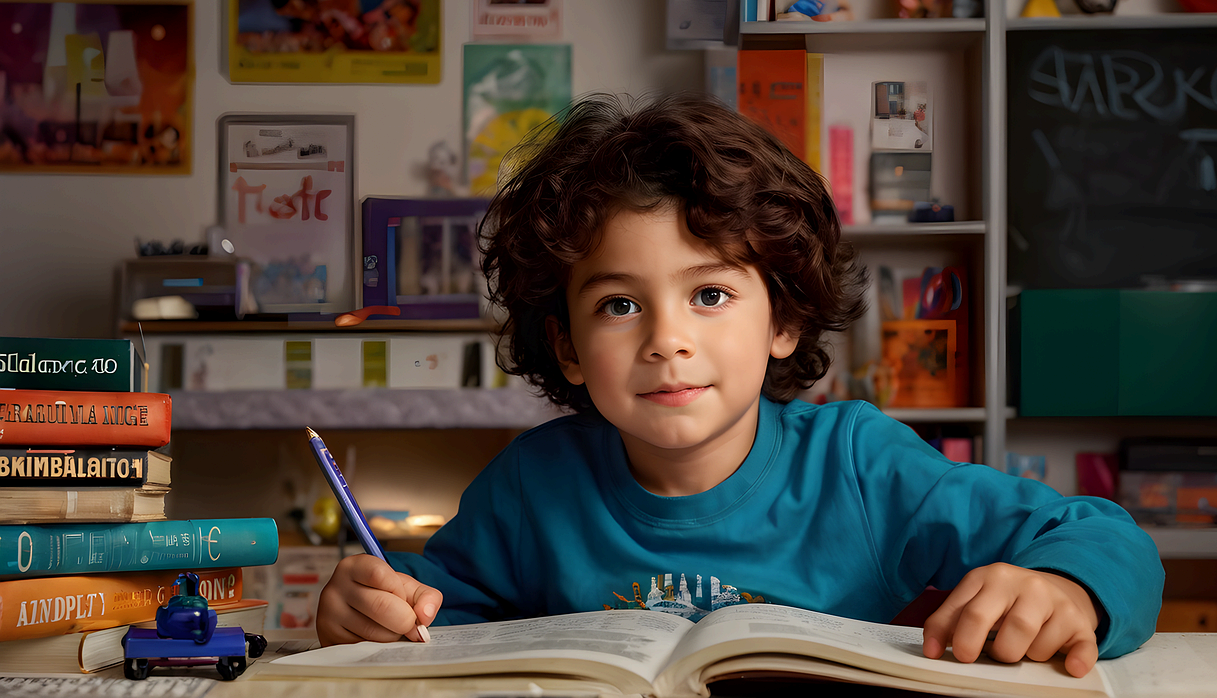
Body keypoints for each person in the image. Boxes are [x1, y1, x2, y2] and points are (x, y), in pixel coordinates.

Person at [316, 93, 1163, 677]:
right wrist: (373, 614)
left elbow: (1105, 537)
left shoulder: (863, 465)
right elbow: (434, 625)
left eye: (711, 294)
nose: (667, 341)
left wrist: (1065, 587)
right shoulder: (529, 488)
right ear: (567, 346)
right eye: (618, 304)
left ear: (784, 321)